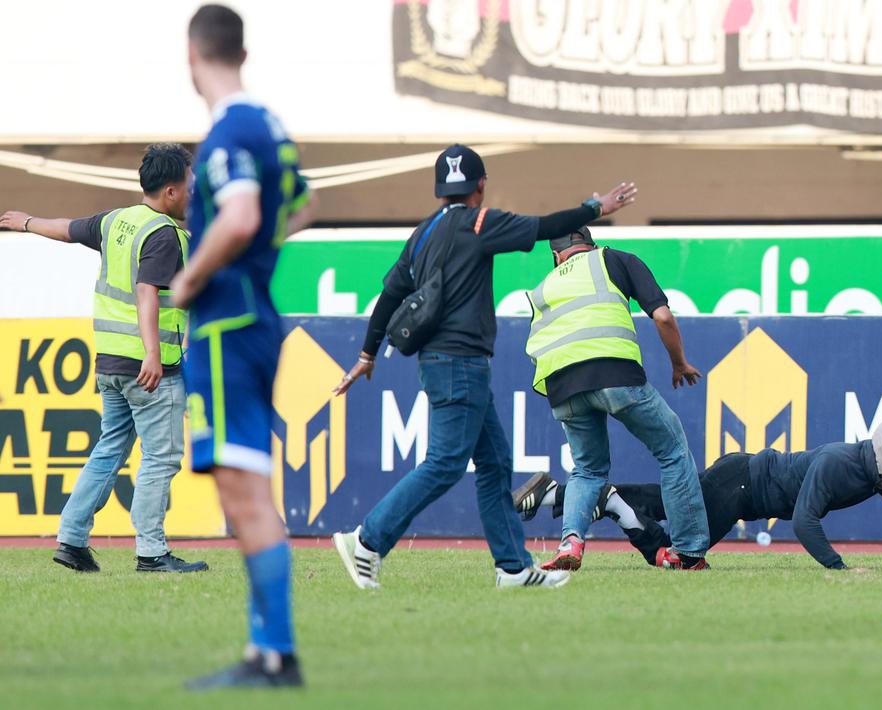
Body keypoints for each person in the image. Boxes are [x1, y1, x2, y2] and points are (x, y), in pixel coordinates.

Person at [329, 144, 638, 591]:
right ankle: (367, 540)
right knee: (445, 463)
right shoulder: (480, 222)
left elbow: (390, 293)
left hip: (442, 362)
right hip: (460, 363)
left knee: (494, 464)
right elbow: (546, 227)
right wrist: (596, 208)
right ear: (481, 185)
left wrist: (367, 354)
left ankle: (512, 568)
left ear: (440, 189)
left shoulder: (423, 232)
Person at [175, 5, 316, 689]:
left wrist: (191, 278)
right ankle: (266, 650)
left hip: (225, 326)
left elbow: (240, 215)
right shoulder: (270, 127)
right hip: (256, 316)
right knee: (249, 489)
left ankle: (275, 656)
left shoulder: (228, 131)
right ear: (243, 52)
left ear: (192, 54)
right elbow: (303, 204)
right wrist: (261, 257)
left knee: (244, 494)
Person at [1, 145, 207, 575]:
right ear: (171, 191)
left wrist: (26, 222)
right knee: (160, 457)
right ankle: (151, 552)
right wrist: (153, 353)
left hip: (111, 362)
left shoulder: (117, 221)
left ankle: (72, 540)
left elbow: (66, 229)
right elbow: (147, 292)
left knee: (110, 448)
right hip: (150, 369)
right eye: (190, 185)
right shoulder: (164, 234)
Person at [515, 413, 882, 570]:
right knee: (682, 558)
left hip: (741, 477)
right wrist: (840, 569)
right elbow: (805, 523)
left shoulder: (880, 472)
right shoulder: (839, 465)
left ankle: (556, 495)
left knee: (663, 502)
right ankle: (611, 502)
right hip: (741, 486)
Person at [523, 227, 709, 571]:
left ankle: (571, 542)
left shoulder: (543, 287)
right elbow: (663, 316)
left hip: (561, 387)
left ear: (556, 256)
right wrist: (679, 363)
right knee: (672, 450)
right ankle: (688, 553)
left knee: (587, 470)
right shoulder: (614, 259)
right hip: (615, 375)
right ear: (591, 244)